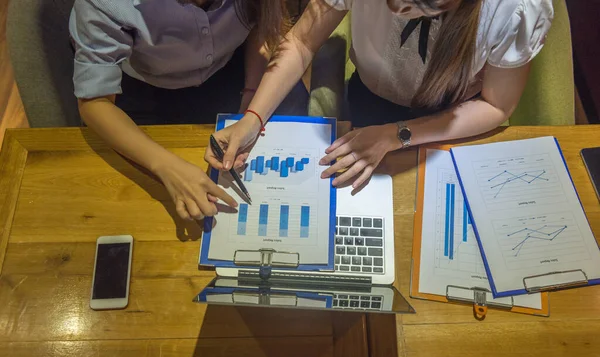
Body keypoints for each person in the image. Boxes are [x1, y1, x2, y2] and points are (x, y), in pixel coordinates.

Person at [206, 0, 554, 190]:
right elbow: (301, 41)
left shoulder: (515, 8)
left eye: (406, 6)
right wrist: (252, 118)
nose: (390, 8)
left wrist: (396, 134)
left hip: (456, 123)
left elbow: (496, 105)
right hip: (370, 101)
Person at [70, 0, 303, 221]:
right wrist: (167, 168)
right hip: (149, 92)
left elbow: (260, 21)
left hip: (235, 70)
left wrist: (251, 96)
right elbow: (94, 102)